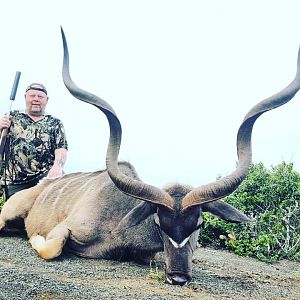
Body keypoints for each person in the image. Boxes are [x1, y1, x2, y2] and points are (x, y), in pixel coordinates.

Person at [0, 83, 68, 199]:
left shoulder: (55, 123)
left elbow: (61, 148)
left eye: (40, 97)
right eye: (32, 96)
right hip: (15, 182)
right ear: (25, 97)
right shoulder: (12, 117)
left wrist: (57, 167)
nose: (36, 99)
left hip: (45, 180)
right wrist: (0, 127)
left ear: (46, 100)